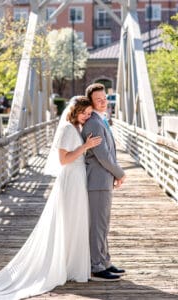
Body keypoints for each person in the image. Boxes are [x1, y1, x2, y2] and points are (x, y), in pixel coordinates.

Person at [0, 96, 102, 300]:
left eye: (89, 114)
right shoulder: (67, 129)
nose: (88, 116)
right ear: (75, 111)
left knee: (75, 222)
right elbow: (64, 160)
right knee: (68, 221)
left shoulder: (77, 128)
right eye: (85, 113)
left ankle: (71, 266)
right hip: (70, 180)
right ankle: (63, 267)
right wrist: (85, 147)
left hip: (78, 179)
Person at [81, 83, 126, 281]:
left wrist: (114, 174)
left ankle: (105, 260)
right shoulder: (93, 123)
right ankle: (96, 265)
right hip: (97, 181)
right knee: (98, 225)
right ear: (90, 102)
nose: (102, 102)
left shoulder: (102, 120)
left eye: (104, 98)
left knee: (104, 224)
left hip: (103, 180)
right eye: (98, 99)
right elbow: (103, 156)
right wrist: (120, 173)